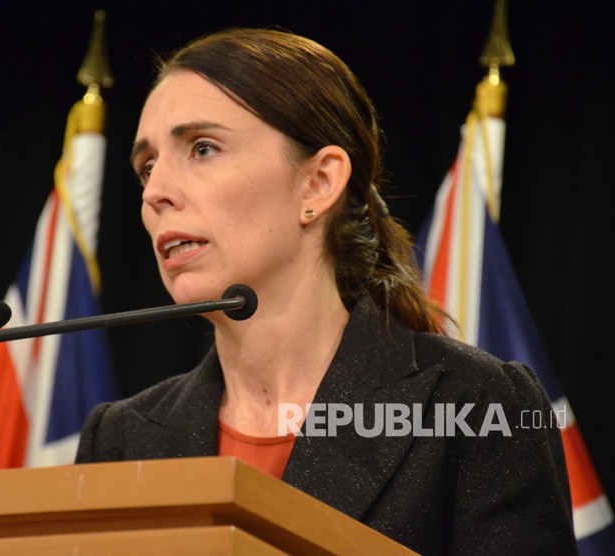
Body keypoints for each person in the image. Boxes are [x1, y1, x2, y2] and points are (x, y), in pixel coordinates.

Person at [75, 28, 576, 554]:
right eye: (146, 166)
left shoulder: (477, 405)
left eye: (202, 148)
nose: (155, 192)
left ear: (318, 183)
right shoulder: (120, 439)